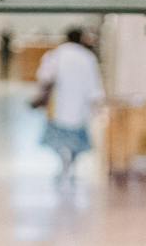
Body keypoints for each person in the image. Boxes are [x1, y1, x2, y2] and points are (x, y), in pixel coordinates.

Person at [35, 28, 103, 182]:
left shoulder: (56, 54)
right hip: (80, 106)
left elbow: (44, 76)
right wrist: (96, 102)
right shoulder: (87, 57)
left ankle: (62, 161)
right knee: (76, 139)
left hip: (59, 103)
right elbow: (94, 84)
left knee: (59, 137)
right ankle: (72, 162)